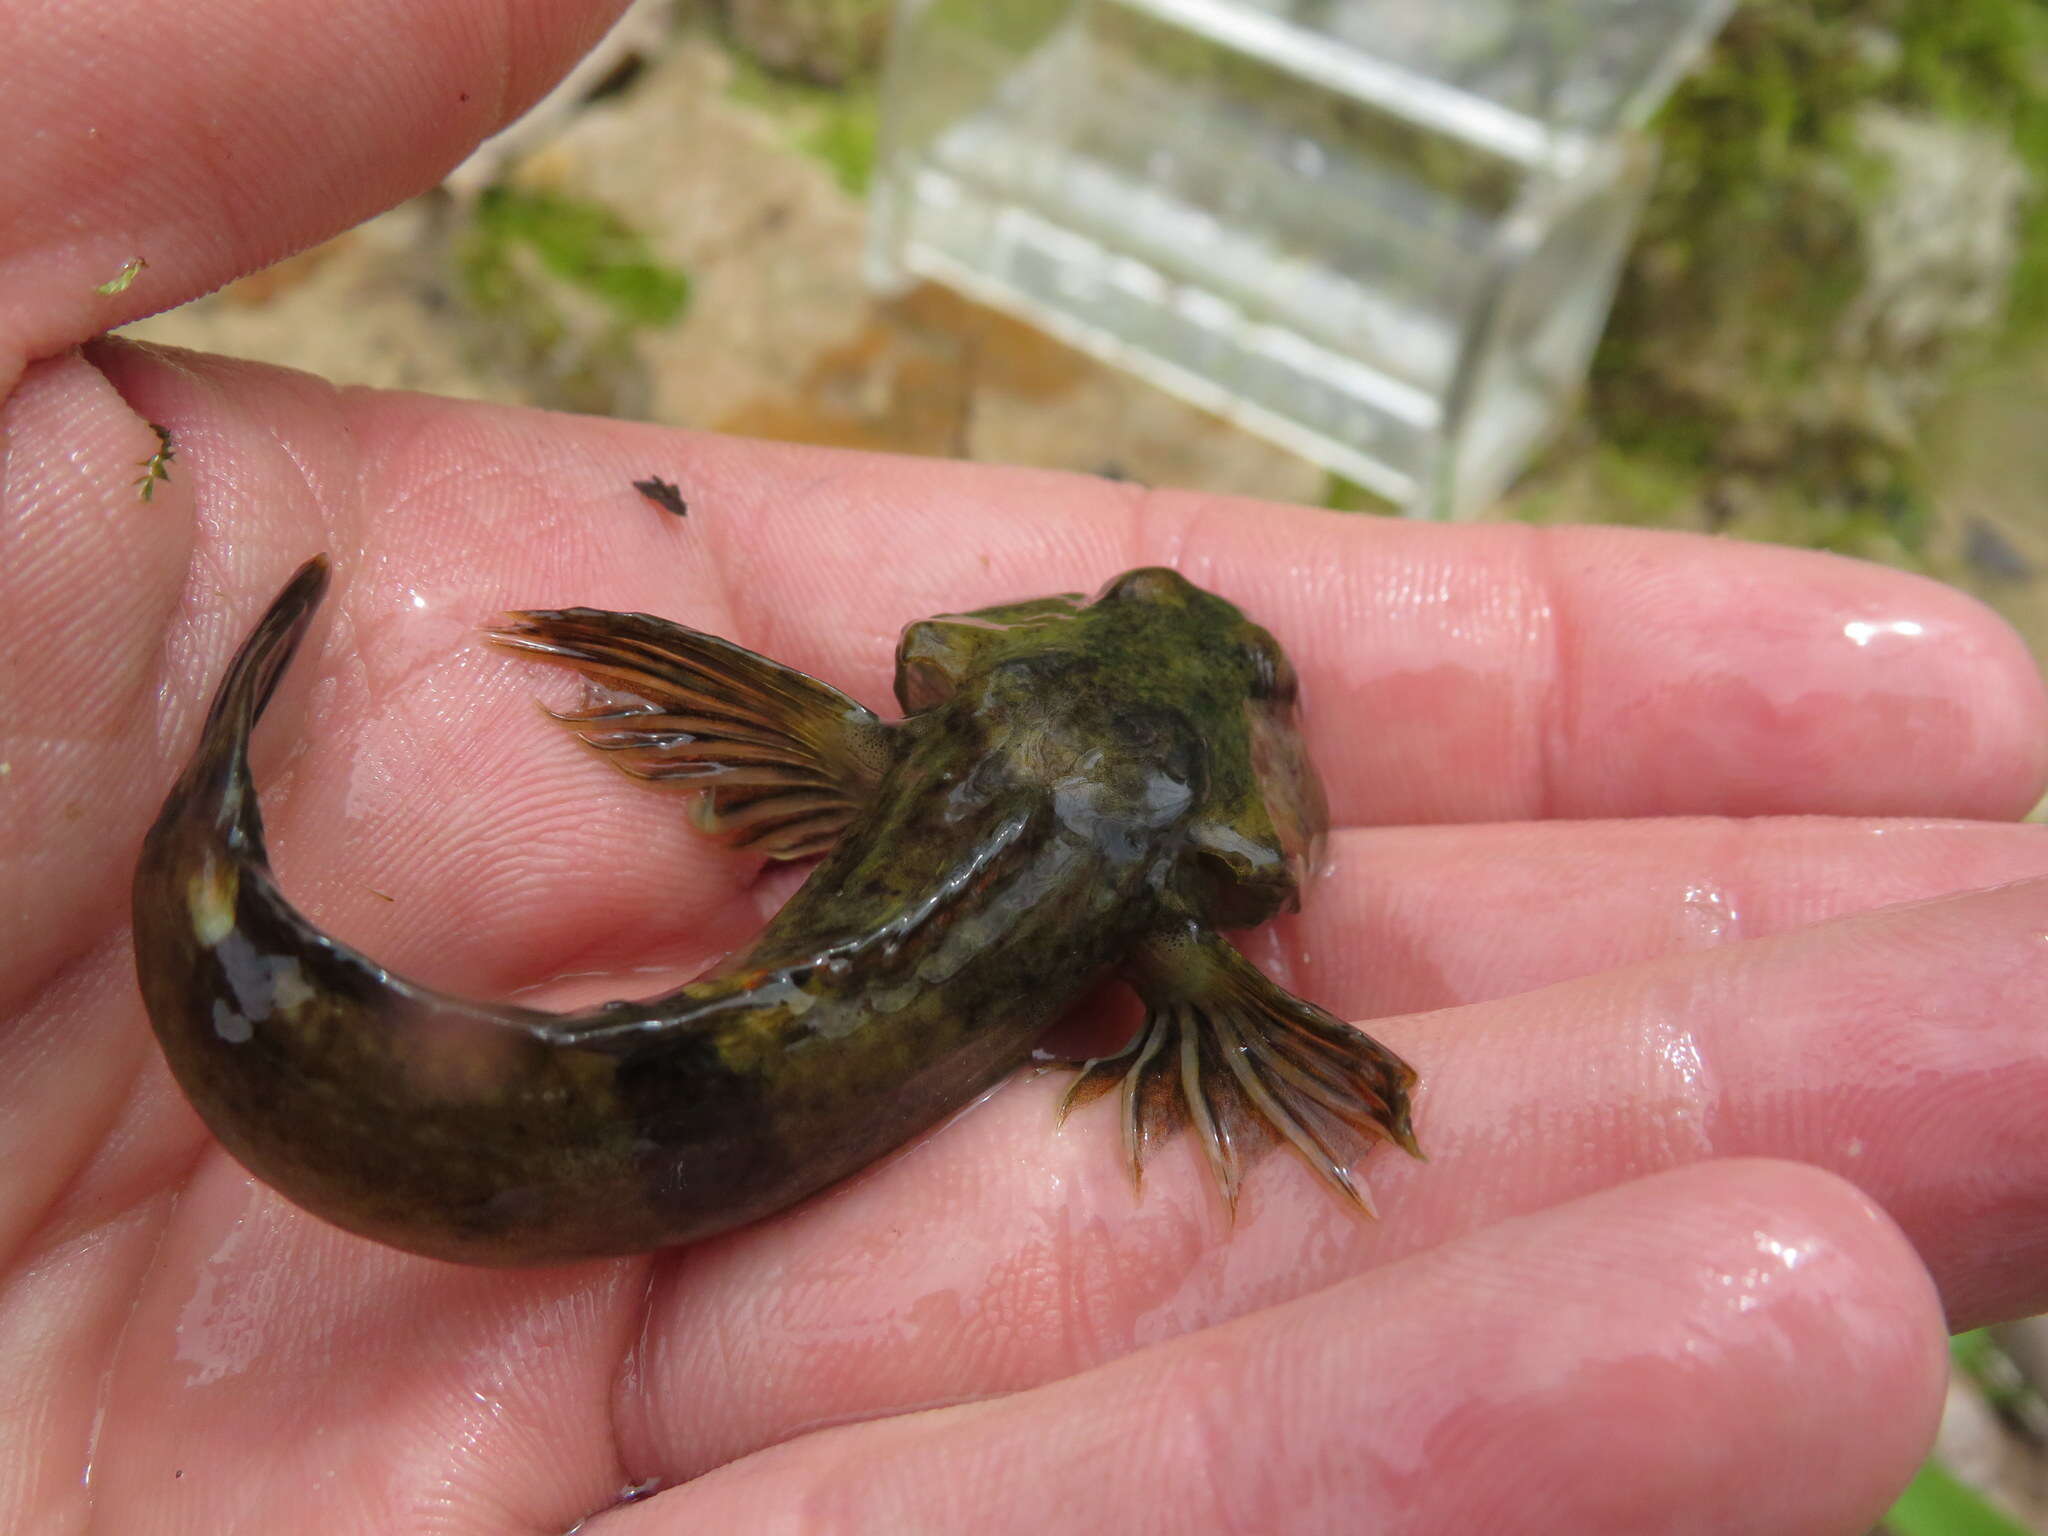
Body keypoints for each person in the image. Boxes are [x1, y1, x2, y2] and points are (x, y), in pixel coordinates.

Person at [4, 3, 2046, 1529]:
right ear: (1207, 905)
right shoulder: (1176, 933)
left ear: (930, 704)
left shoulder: (944, 794)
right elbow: (1262, 1026)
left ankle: (224, 900)